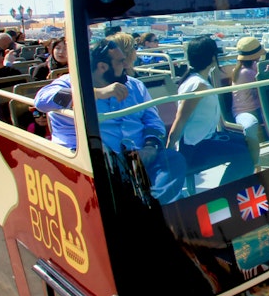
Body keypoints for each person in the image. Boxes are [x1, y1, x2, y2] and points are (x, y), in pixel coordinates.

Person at [35, 39, 186, 203]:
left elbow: (153, 122)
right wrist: (97, 93)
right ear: (102, 67)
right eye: (121, 62)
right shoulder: (70, 82)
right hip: (100, 163)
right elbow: (41, 101)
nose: (127, 66)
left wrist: (150, 147)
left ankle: (151, 206)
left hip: (138, 157)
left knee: (172, 160)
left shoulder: (135, 86)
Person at [166, 36, 254, 185]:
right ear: (212, 57)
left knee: (248, 144)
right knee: (245, 155)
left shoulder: (196, 80)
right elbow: (180, 120)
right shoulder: (197, 85)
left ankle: (230, 188)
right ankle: (226, 191)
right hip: (194, 148)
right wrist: (169, 154)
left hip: (205, 139)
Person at [231, 36, 264, 165]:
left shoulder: (246, 69)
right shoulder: (246, 73)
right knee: (251, 125)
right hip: (245, 112)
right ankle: (255, 162)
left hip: (256, 109)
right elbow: (261, 89)